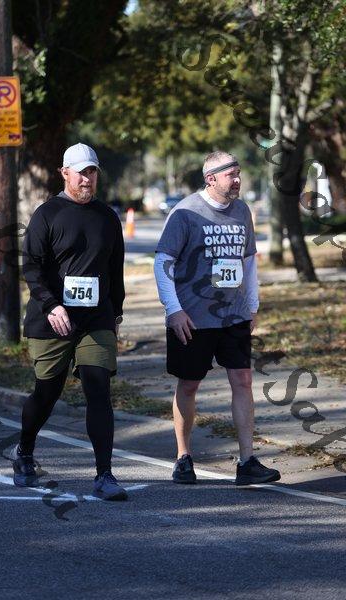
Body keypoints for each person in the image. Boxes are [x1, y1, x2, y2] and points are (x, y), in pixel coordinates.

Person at [154, 150, 280, 486]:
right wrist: (173, 309)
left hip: (233, 315)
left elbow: (248, 261)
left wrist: (252, 306)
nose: (237, 180)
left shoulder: (242, 211)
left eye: (238, 173)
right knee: (189, 384)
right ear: (211, 179)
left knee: (243, 381)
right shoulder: (185, 213)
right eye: (230, 175)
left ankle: (247, 461)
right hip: (192, 318)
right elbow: (163, 262)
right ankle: (183, 457)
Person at [12, 142, 127, 501]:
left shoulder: (107, 217)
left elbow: (116, 270)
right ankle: (24, 451)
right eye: (81, 172)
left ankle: (104, 475)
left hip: (96, 318)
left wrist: (116, 313)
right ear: (65, 173)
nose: (87, 178)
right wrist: (51, 306)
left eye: (92, 171)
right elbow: (31, 268)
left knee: (98, 386)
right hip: (52, 318)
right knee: (47, 392)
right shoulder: (47, 215)